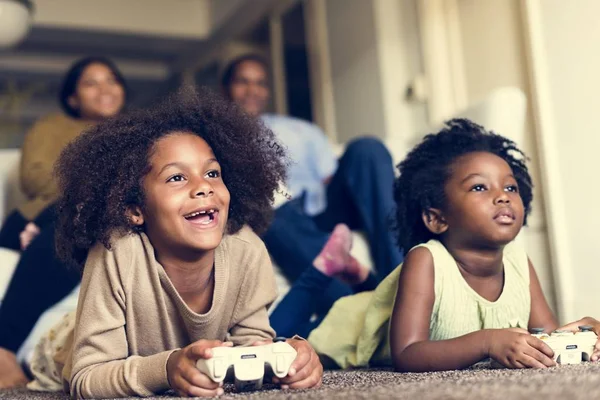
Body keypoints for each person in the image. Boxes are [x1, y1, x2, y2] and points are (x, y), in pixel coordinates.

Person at [23, 88, 322, 398]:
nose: (203, 186)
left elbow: (252, 346)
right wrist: (166, 369)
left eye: (212, 172)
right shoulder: (117, 252)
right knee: (43, 359)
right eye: (177, 178)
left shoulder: (246, 249)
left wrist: (287, 361)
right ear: (135, 209)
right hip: (64, 346)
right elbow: (86, 377)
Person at [307, 119, 600, 371]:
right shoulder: (425, 260)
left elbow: (543, 338)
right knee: (287, 341)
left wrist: (581, 332)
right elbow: (407, 354)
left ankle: (359, 277)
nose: (503, 196)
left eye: (510, 186)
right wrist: (487, 341)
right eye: (479, 187)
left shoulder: (518, 261)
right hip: (345, 333)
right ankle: (336, 279)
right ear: (437, 219)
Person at [221, 54, 403, 334]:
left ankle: (404, 287)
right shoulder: (216, 136)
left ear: (267, 91)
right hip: (280, 215)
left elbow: (334, 178)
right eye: (242, 82)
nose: (251, 91)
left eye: (259, 83)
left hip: (323, 209)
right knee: (268, 214)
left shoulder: (299, 130)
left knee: (368, 148)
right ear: (227, 88)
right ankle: (364, 312)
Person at [0, 57, 127, 388]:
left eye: (111, 80)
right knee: (80, 214)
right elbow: (34, 177)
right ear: (73, 98)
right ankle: (2, 348)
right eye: (91, 82)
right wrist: (95, 184)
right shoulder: (53, 126)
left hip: (104, 217)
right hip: (42, 216)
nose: (104, 88)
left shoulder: (133, 135)